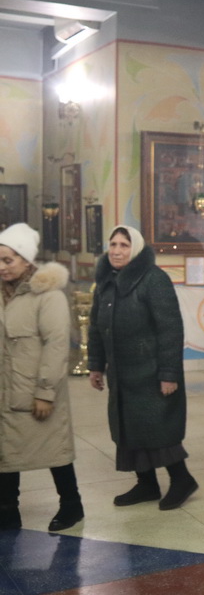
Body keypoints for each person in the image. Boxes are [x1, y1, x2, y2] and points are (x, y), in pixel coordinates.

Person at [89, 226, 197, 510]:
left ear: (135, 249)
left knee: (158, 429)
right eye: (113, 244)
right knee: (129, 429)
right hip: (121, 372)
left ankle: (182, 480)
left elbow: (170, 330)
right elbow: (96, 328)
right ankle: (146, 484)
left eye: (124, 245)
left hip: (151, 371)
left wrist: (169, 374)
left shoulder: (153, 279)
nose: (116, 251)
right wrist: (95, 366)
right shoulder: (106, 282)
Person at [0, 224, 81, 532]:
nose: (2, 267)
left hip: (36, 389)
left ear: (26, 260)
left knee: (54, 449)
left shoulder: (48, 296)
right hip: (5, 388)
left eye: (8, 260)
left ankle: (71, 505)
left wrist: (45, 392)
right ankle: (8, 510)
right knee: (5, 451)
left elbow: (56, 346)